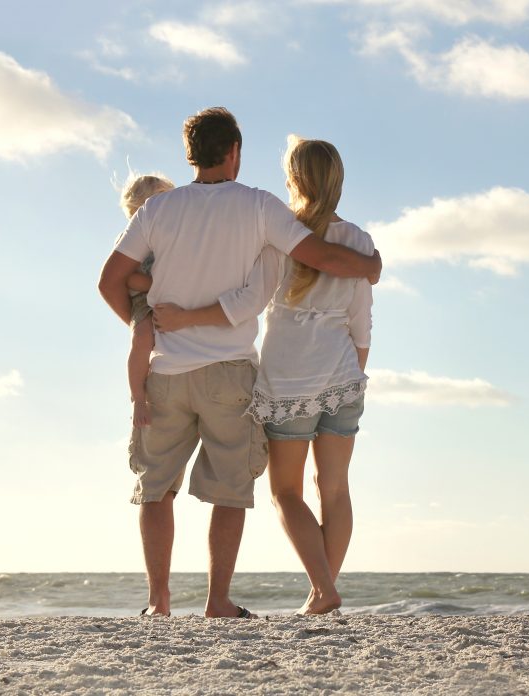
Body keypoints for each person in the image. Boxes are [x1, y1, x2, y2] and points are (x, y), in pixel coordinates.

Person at [97, 107, 381, 619]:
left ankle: (158, 603)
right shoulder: (258, 206)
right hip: (231, 372)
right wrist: (370, 264)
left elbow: (108, 281)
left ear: (190, 155)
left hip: (166, 372)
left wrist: (147, 325)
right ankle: (220, 601)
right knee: (229, 494)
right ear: (234, 153)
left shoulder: (158, 211)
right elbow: (318, 257)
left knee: (156, 489)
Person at [117, 173, 175, 428]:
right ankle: (139, 398)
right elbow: (128, 279)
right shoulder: (131, 240)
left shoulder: (173, 237)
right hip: (143, 297)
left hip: (169, 295)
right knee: (142, 337)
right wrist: (156, 287)